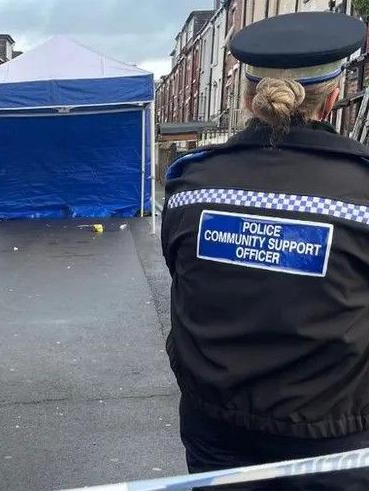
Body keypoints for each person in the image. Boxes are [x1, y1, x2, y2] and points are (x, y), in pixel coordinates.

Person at [161, 11, 369, 490]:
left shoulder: (191, 182)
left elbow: (184, 276)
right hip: (334, 440)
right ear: (334, 97)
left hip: (215, 425)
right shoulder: (361, 192)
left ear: (249, 98)